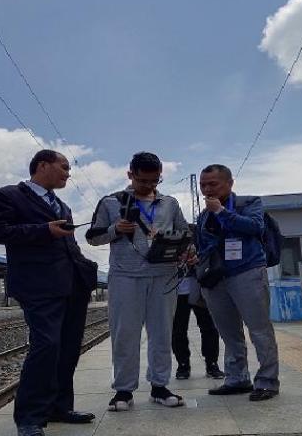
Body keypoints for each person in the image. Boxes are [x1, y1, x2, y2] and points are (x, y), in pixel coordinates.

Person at [0, 149, 99, 436]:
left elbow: (68, 246)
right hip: (38, 285)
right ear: (43, 165)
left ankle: (60, 406)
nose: (68, 173)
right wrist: (43, 230)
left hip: (72, 285)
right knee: (46, 345)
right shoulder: (7, 196)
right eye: (64, 167)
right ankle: (30, 418)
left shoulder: (62, 206)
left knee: (68, 347)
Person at [86, 152, 188, 411]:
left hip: (164, 277)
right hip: (126, 277)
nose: (150, 186)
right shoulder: (110, 202)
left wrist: (188, 249)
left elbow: (186, 233)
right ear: (130, 174)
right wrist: (115, 230)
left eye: (155, 181)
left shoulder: (170, 203)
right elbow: (92, 237)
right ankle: (123, 390)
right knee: (124, 335)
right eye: (144, 181)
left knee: (162, 334)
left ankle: (159, 386)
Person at [195, 164, 280, 401]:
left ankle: (267, 381)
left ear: (229, 183)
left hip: (247, 272)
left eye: (213, 184)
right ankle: (237, 379)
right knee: (229, 332)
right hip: (216, 277)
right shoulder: (203, 216)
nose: (206, 189)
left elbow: (254, 227)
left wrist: (222, 212)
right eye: (203, 185)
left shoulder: (249, 203)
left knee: (259, 329)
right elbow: (203, 245)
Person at [172, 264, 225, 380]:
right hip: (178, 284)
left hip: (201, 281)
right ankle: (183, 364)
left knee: (209, 326)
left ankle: (212, 363)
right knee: (178, 328)